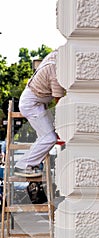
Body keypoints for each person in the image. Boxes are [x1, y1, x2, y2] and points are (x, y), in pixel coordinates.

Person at [14, 50, 65, 178]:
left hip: (37, 101)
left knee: (45, 137)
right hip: (32, 104)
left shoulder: (57, 55)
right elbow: (59, 102)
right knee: (50, 138)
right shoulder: (55, 71)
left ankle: (31, 164)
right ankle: (23, 165)